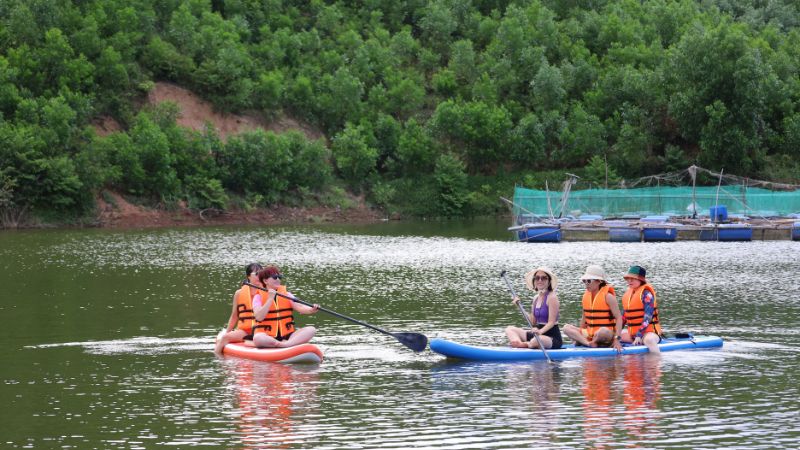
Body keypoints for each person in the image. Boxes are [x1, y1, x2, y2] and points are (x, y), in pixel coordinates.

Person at [251, 265, 320, 348]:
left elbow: (300, 307)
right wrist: (270, 299)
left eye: (279, 277)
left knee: (311, 330)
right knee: (258, 338)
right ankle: (282, 344)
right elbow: (259, 317)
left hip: (288, 336)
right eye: (275, 277)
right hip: (268, 336)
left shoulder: (287, 294)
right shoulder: (258, 297)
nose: (278, 279)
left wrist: (311, 309)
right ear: (265, 281)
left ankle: (285, 345)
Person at [563, 265, 623, 351]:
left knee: (603, 331)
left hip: (606, 334)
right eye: (584, 281)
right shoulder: (585, 296)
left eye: (589, 281)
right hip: (590, 334)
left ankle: (588, 341)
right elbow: (584, 319)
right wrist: (579, 334)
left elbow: (619, 318)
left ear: (599, 281)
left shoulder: (608, 296)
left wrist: (617, 339)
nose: (586, 283)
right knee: (566, 328)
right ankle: (587, 343)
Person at [505, 267, 563, 349]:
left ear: (549, 281)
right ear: (534, 281)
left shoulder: (552, 297)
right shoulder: (536, 298)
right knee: (509, 329)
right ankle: (517, 344)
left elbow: (551, 322)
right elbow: (533, 322)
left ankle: (525, 345)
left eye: (543, 278)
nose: (540, 280)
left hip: (551, 338)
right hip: (537, 333)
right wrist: (519, 306)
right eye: (537, 278)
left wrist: (540, 332)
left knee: (535, 341)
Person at [215, 262, 265, 354]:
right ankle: (218, 358)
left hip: (263, 330)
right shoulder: (239, 293)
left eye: (261, 274)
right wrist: (227, 332)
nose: (259, 276)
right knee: (225, 338)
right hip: (245, 331)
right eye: (256, 274)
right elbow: (234, 316)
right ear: (248, 276)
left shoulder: (268, 292)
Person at [619, 265, 663, 353]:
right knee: (615, 334)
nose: (629, 281)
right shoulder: (628, 295)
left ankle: (656, 361)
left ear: (641, 280)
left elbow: (648, 317)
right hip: (632, 334)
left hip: (649, 333)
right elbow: (623, 318)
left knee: (649, 340)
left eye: (633, 278)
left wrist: (639, 335)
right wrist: (615, 334)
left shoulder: (646, 294)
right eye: (628, 278)